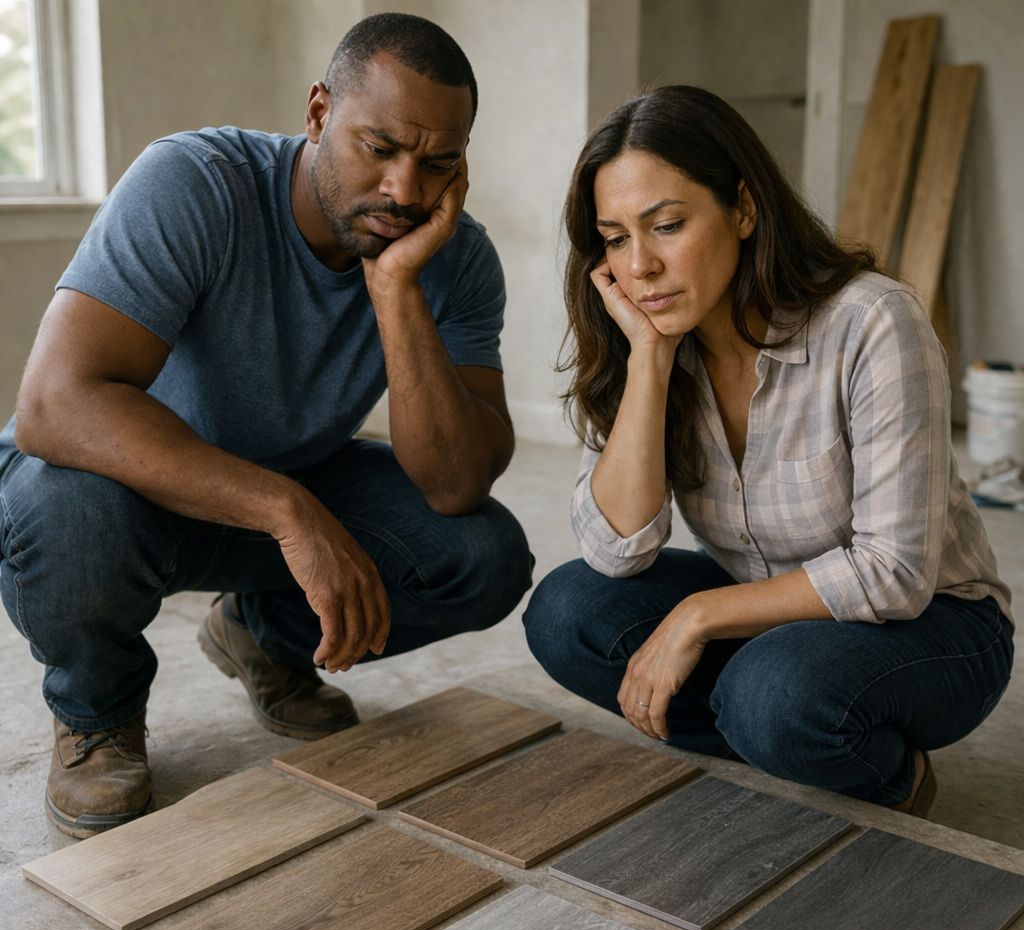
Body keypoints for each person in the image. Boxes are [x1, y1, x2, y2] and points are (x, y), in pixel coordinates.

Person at [0, 13, 532, 838]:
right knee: (60, 509)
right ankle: (97, 713)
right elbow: (55, 404)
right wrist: (289, 512)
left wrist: (394, 290)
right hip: (121, 488)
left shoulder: (453, 257)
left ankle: (259, 633)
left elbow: (457, 483)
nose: (405, 190)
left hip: (287, 475)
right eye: (379, 148)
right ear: (318, 113)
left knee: (482, 556)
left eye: (438, 164)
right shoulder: (195, 181)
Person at [523, 85, 1013, 814]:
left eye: (666, 225)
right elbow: (617, 551)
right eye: (617, 239)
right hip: (772, 621)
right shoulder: (655, 340)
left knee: (774, 693)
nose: (641, 266)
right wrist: (651, 363)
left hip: (933, 625)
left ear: (744, 209)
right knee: (566, 611)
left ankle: (885, 772)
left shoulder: (873, 321)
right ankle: (777, 732)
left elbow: (895, 573)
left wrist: (697, 618)